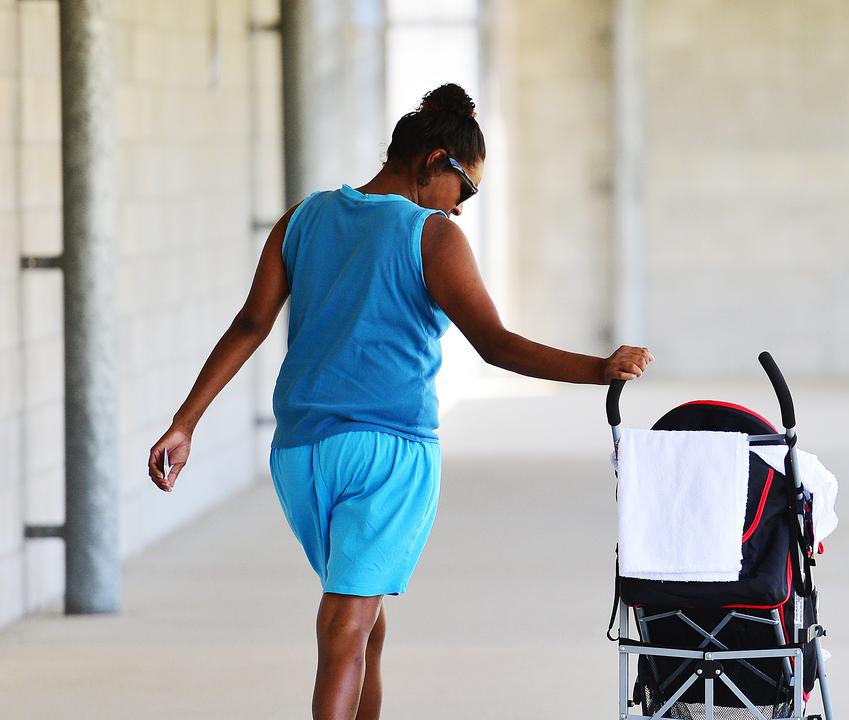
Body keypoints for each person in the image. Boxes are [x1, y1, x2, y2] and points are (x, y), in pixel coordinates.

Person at [145, 83, 653, 720]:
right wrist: (599, 370)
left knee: (362, 620)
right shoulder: (431, 235)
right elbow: (494, 344)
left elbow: (250, 325)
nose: (463, 209)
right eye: (465, 189)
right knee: (347, 626)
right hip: (388, 453)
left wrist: (183, 423)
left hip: (301, 455)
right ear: (436, 161)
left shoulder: (303, 218)